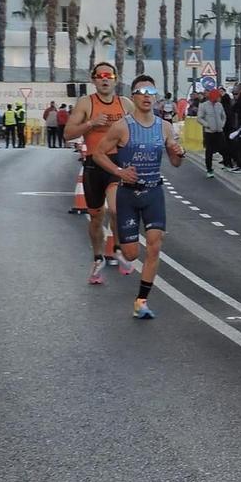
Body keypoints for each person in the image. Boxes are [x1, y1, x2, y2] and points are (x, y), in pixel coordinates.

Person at [87, 74, 185, 320]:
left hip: (153, 192)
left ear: (156, 97)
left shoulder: (165, 126)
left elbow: (175, 162)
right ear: (134, 97)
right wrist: (119, 171)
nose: (146, 97)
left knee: (155, 245)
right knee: (131, 254)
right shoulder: (122, 126)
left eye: (151, 92)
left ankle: (141, 301)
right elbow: (98, 154)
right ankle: (121, 247)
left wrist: (179, 153)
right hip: (128, 195)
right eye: (141, 92)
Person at [64, 63, 129, 285]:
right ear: (93, 80)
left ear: (115, 80)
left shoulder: (125, 104)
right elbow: (68, 133)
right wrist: (91, 123)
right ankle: (98, 257)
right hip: (93, 165)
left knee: (117, 209)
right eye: (100, 76)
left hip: (115, 163)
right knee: (96, 218)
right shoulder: (86, 103)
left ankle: (118, 249)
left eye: (108, 76)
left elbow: (142, 128)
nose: (104, 79)